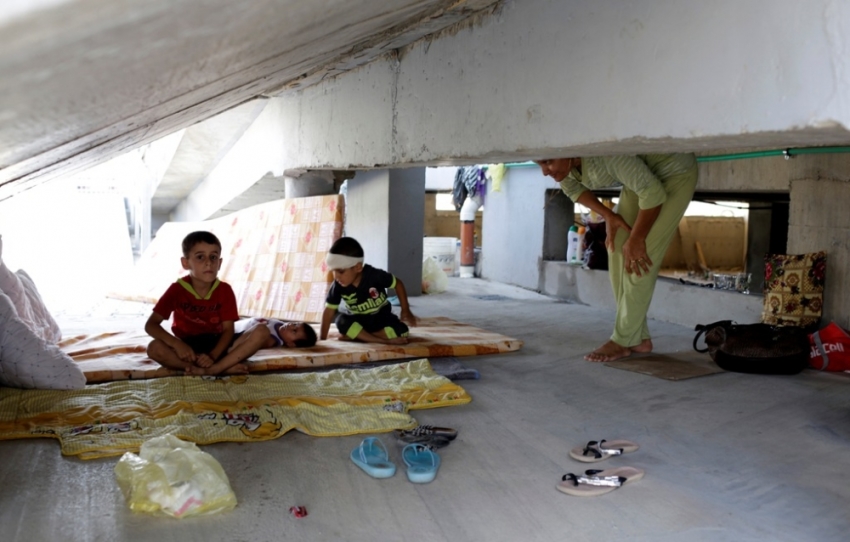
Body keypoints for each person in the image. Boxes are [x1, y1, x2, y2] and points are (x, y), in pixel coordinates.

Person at [536, 153, 699, 362]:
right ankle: (638, 337)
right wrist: (609, 215)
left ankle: (623, 339)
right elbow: (574, 189)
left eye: (548, 161)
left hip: (674, 173)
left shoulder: (609, 156)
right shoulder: (566, 168)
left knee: (640, 255)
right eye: (540, 164)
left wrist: (638, 238)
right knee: (616, 247)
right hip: (642, 179)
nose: (545, 171)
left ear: (571, 152)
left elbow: (653, 194)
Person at [144, 231, 271, 375]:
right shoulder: (177, 290)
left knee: (262, 331)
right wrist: (177, 344)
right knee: (154, 348)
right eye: (200, 257)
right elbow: (151, 325)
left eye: (213, 257)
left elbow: (228, 330)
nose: (208, 263)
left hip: (220, 345)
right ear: (185, 263)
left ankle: (215, 368)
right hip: (188, 348)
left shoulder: (225, 290)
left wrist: (213, 356)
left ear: (220, 263)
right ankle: (214, 367)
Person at [320, 236, 417, 344]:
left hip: (382, 318)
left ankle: (359, 336)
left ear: (357, 267)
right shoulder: (337, 285)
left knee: (403, 331)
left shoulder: (375, 276)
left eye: (341, 272)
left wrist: (405, 309)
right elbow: (329, 311)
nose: (336, 277)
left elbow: (397, 284)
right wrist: (322, 340)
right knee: (341, 321)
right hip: (359, 321)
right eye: (333, 271)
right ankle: (381, 340)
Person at [233, 317, 318, 349]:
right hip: (237, 324)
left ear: (291, 344)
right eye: (295, 324)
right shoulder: (280, 324)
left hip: (235, 334)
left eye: (294, 331)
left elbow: (254, 343)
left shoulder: (272, 340)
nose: (290, 326)